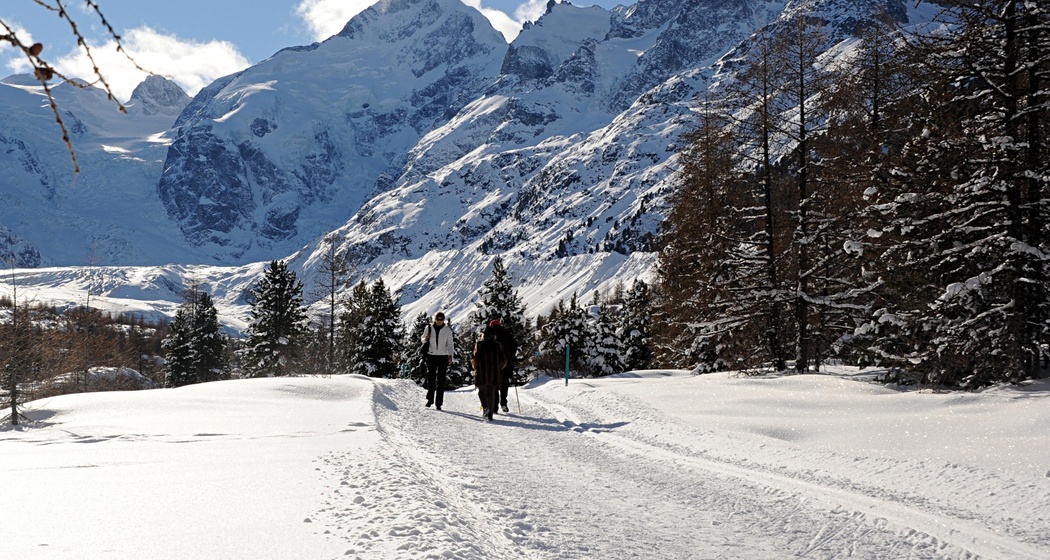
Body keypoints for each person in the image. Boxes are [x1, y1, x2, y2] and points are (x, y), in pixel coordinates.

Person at [471, 324, 507, 421]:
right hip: (495, 373)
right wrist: (499, 368)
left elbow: (475, 358)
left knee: (482, 392)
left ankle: (485, 407)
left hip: (482, 373)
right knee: (492, 393)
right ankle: (490, 415)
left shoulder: (479, 344)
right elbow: (503, 360)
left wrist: (476, 368)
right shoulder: (498, 345)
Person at [422, 311, 455, 410]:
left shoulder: (447, 330)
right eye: (438, 319)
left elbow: (450, 344)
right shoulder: (429, 328)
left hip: (443, 356)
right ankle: (430, 399)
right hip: (431, 355)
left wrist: (450, 356)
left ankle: (439, 403)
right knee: (431, 378)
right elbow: (422, 339)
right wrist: (425, 339)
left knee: (441, 380)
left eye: (441, 319)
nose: (440, 321)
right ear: (435, 319)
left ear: (443, 320)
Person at [485, 319, 518, 413]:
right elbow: (514, 345)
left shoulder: (490, 334)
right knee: (504, 384)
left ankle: (494, 407)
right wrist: (510, 357)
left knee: (494, 384)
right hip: (506, 363)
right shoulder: (507, 333)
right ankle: (503, 403)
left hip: (493, 364)